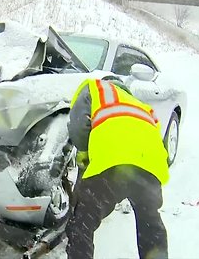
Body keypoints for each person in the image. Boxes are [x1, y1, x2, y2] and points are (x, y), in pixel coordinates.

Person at [65, 76, 169, 259]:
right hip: (149, 168)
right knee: (150, 224)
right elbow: (158, 145)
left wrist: (85, 160)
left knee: (82, 223)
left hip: (112, 165)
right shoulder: (142, 106)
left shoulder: (95, 88)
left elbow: (78, 128)